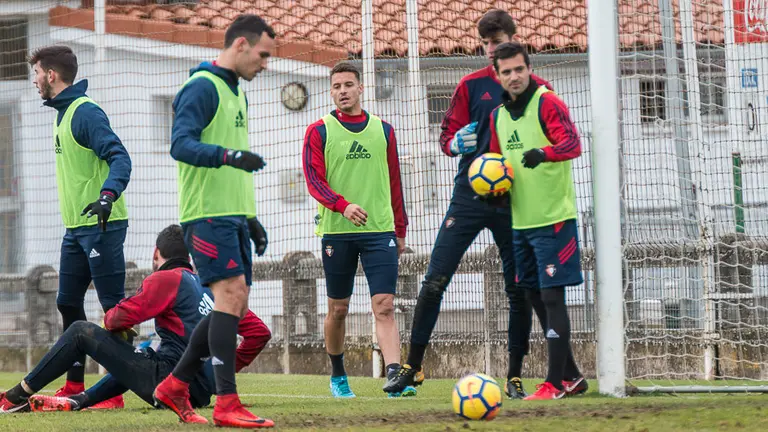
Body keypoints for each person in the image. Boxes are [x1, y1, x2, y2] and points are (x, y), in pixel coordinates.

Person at [384, 9, 560, 399]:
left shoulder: (538, 90)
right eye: (487, 44)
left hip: (513, 201)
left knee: (518, 288)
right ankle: (412, 368)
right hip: (468, 196)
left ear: (515, 41)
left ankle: (514, 376)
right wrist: (453, 144)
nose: (492, 50)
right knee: (434, 281)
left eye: (498, 43)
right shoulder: (470, 85)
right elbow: (446, 136)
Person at [0, 225, 271, 414]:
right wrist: (220, 367)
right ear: (189, 256)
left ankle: (16, 396)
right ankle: (80, 400)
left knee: (80, 330)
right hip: (200, 392)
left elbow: (116, 319)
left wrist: (114, 322)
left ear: (156, 254)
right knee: (143, 354)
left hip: (169, 381)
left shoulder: (166, 278)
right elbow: (260, 332)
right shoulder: (211, 285)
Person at [152, 14, 275, 428]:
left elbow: (234, 165)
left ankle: (174, 384)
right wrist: (229, 156)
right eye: (262, 54)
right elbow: (180, 145)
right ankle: (226, 404)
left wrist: (252, 219)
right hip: (205, 214)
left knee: (234, 305)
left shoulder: (236, 93)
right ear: (240, 44)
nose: (265, 63)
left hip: (233, 216)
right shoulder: (201, 87)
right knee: (231, 295)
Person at [29, 45, 132, 407]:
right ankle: (75, 385)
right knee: (67, 301)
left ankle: (114, 392)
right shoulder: (62, 114)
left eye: (38, 73)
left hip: (103, 224)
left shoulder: (84, 112)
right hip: (76, 228)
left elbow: (120, 157)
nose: (35, 80)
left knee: (114, 310)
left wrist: (107, 196)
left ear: (52, 75)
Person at [302, 62, 409, 398]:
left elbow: (394, 181)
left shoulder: (384, 131)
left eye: (349, 84)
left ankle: (394, 377)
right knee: (339, 308)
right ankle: (338, 375)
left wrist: (400, 228)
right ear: (331, 91)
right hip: (337, 231)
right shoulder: (318, 131)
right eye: (337, 86)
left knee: (385, 305)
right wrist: (342, 205)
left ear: (361, 88)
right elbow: (314, 181)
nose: (343, 91)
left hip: (380, 231)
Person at [488, 41, 585, 400]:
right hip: (521, 222)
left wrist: (544, 153)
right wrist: (492, 188)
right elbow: (499, 167)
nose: (514, 77)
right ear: (497, 76)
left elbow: (573, 143)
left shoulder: (547, 101)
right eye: (507, 71)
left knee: (552, 296)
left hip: (554, 219)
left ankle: (554, 383)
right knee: (531, 293)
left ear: (529, 68)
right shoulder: (497, 116)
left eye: (519, 69)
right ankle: (572, 376)